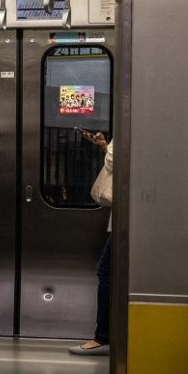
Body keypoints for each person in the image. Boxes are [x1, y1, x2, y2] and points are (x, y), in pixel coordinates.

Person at [69, 131, 113, 357]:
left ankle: (103, 337)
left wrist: (110, 149)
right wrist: (105, 146)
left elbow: (117, 161)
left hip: (127, 219)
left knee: (106, 271)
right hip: (125, 217)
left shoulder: (133, 122)